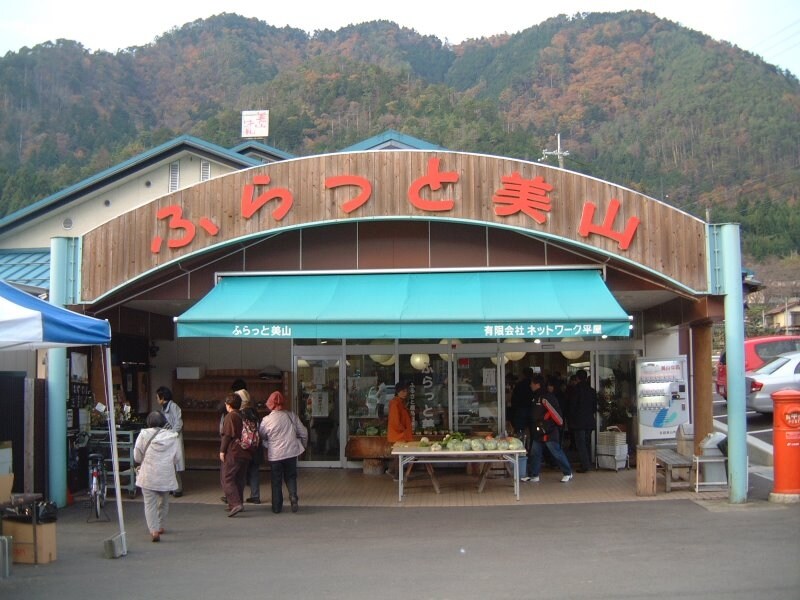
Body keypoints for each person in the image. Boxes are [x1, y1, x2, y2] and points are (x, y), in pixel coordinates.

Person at [134, 411, 180, 542]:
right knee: (164, 501)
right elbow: (177, 458)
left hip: (148, 474)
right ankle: (160, 526)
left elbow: (137, 456)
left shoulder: (143, 435)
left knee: (149, 504)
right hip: (165, 474)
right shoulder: (172, 436)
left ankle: (154, 530)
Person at [259, 390, 308, 514]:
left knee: (276, 480)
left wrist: (267, 445)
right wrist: (302, 446)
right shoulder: (291, 416)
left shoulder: (266, 420)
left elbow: (262, 436)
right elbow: (304, 432)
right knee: (291, 477)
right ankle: (293, 496)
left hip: (275, 455)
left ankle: (276, 507)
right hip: (291, 452)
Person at [523, 373, 573, 483]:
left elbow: (557, 415)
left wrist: (555, 425)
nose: (530, 385)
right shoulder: (535, 396)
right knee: (535, 453)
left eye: (532, 383)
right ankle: (534, 475)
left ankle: (568, 473)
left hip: (548, 431)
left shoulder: (546, 397)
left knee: (556, 453)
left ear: (537, 384)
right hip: (538, 431)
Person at [219, 393, 252, 517]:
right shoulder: (243, 415)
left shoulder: (230, 417)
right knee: (239, 478)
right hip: (245, 450)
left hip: (234, 451)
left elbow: (227, 436)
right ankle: (238, 502)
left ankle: (235, 503)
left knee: (226, 478)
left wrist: (222, 451)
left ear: (228, 405)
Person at [232, 379, 262, 504]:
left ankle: (235, 497)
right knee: (254, 470)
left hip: (244, 446)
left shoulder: (239, 414)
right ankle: (255, 495)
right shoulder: (255, 412)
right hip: (255, 445)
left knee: (239, 472)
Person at [157, 386, 184, 497]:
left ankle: (178, 489)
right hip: (169, 438)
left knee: (174, 464)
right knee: (170, 465)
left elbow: (179, 423)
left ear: (162, 398)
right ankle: (173, 488)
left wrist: (171, 434)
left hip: (173, 438)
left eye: (157, 397)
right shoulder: (165, 407)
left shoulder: (173, 407)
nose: (157, 400)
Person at [570, 369, 598, 473]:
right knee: (587, 443)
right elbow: (594, 408)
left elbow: (572, 407)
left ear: (577, 378)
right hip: (589, 421)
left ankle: (585, 465)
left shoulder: (575, 390)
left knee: (581, 444)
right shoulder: (592, 390)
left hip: (579, 422)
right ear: (586, 378)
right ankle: (588, 463)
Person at [385, 381, 413, 480]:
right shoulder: (395, 403)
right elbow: (395, 421)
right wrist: (404, 430)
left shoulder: (400, 402)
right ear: (398, 391)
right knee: (399, 456)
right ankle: (396, 475)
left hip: (400, 434)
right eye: (403, 391)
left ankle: (393, 472)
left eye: (406, 391)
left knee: (399, 456)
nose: (405, 393)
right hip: (398, 434)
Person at [510, 367, 534, 440]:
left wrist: (514, 409)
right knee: (532, 429)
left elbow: (514, 398)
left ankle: (521, 445)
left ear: (523, 374)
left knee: (520, 430)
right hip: (532, 409)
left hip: (520, 409)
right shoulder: (533, 384)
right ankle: (530, 446)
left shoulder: (519, 385)